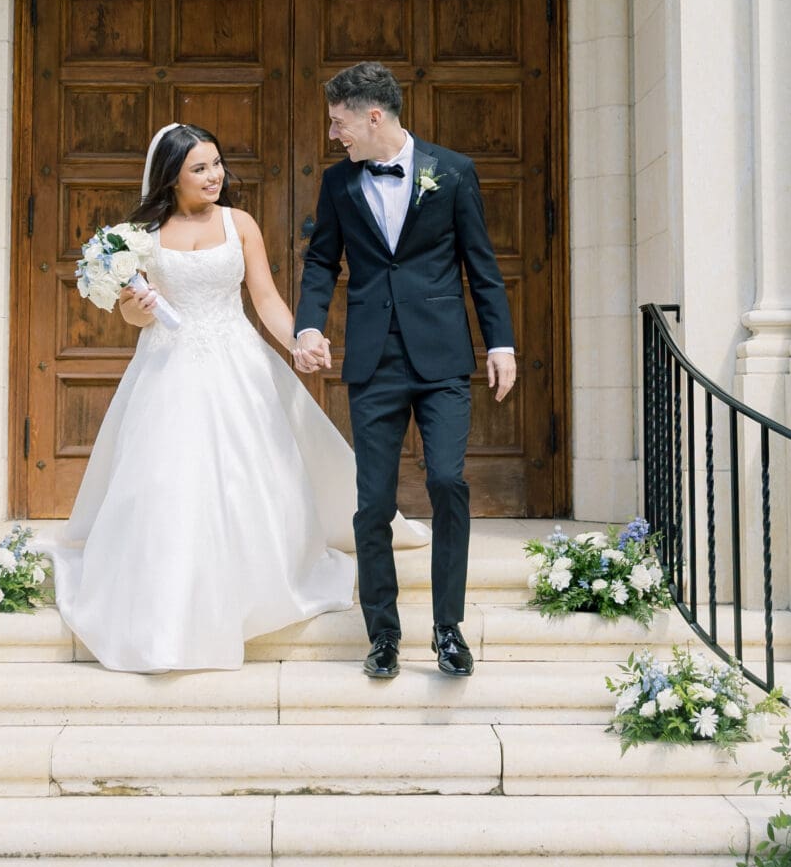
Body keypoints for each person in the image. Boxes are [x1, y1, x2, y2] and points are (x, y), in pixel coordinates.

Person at [48, 123, 423, 672]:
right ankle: (170, 595)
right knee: (167, 479)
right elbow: (131, 315)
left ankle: (259, 582)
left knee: (250, 473)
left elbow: (265, 298)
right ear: (171, 177)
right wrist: (138, 305)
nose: (214, 176)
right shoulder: (141, 236)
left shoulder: (239, 223)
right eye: (199, 168)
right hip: (167, 367)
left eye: (217, 164)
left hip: (235, 360)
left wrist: (300, 340)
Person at [294, 62, 516, 681]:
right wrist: (308, 326)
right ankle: (384, 634)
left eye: (338, 123)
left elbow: (481, 265)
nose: (333, 134)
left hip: (442, 357)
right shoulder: (339, 183)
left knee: (447, 481)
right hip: (374, 362)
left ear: (373, 116)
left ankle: (448, 629)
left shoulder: (452, 171)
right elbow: (321, 262)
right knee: (372, 503)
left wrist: (500, 343)